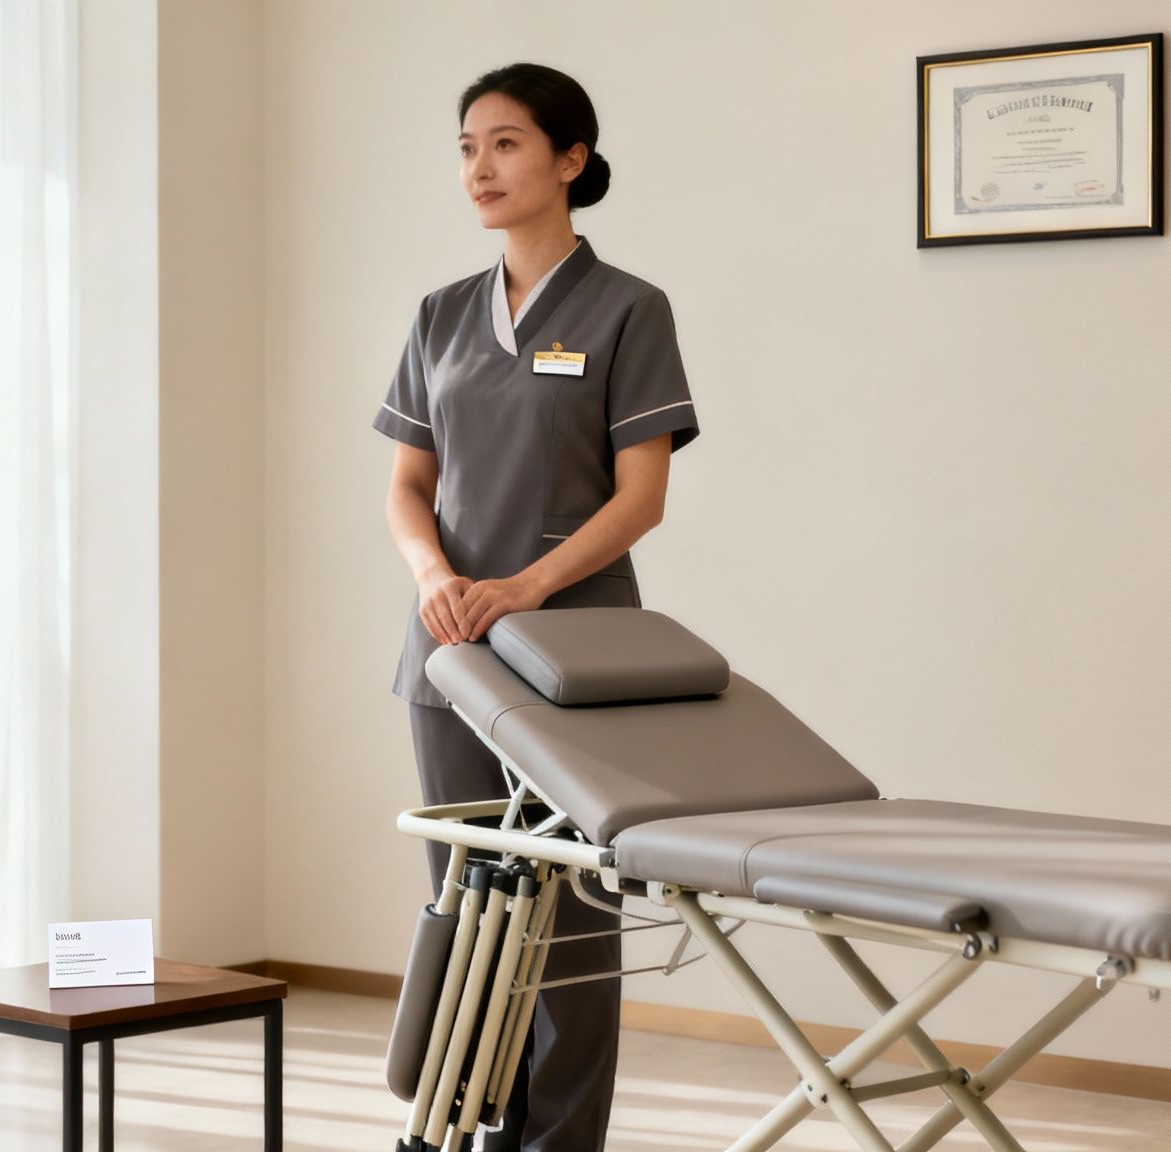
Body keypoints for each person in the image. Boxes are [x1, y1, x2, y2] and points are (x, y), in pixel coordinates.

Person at [372, 62, 701, 1152]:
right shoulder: (437, 316)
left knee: (567, 923)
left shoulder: (625, 310)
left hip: (578, 656)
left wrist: (526, 587)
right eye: (466, 146)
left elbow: (639, 498)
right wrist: (433, 581)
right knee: (466, 916)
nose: (479, 167)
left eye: (505, 144)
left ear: (570, 159)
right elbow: (406, 488)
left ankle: (558, 1144)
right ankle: (466, 1131)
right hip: (451, 656)